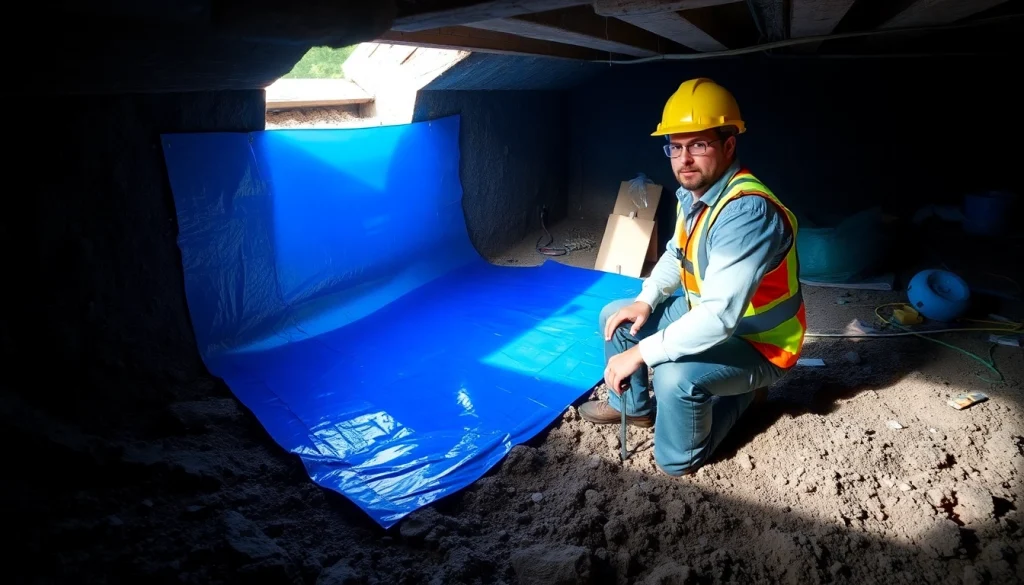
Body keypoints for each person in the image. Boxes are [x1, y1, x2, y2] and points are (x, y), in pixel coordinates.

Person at [578, 78, 806, 477]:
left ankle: (745, 395)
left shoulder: (746, 213)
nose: (684, 159)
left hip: (757, 340)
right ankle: (632, 409)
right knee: (617, 319)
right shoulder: (698, 191)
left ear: (729, 145)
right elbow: (675, 253)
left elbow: (720, 318)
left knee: (673, 380)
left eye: (698, 145)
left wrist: (642, 354)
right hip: (705, 312)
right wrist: (644, 300)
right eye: (676, 147)